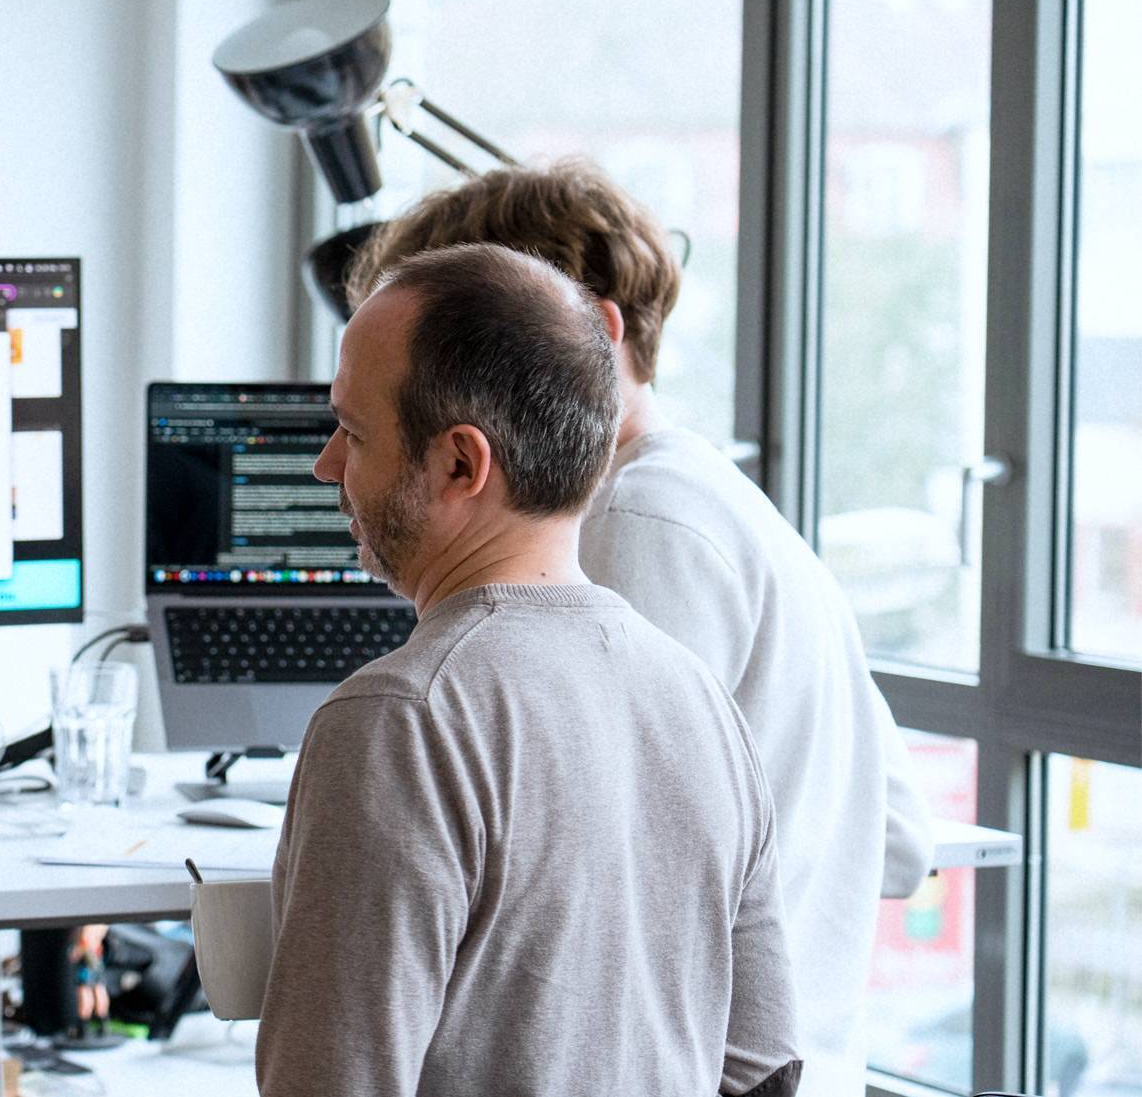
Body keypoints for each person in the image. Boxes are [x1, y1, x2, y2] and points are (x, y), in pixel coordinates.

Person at [351, 160, 934, 1096]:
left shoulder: (636, 523)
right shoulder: (723, 502)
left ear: (595, 330)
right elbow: (901, 840)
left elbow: (589, 873)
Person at [258, 245, 800, 1097]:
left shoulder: (402, 716)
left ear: (459, 464)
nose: (328, 465)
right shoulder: (697, 695)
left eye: (353, 433)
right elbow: (761, 1067)